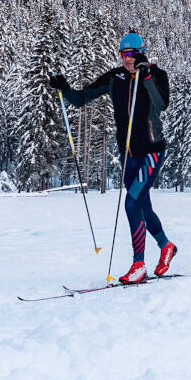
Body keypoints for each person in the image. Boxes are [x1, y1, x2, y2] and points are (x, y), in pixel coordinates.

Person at [44, 31, 175, 282]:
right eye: (123, 54)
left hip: (151, 151)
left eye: (132, 54)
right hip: (128, 155)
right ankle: (166, 246)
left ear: (141, 52)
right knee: (142, 205)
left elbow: (161, 103)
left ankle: (139, 265)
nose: (127, 59)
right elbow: (81, 99)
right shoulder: (115, 78)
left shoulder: (156, 74)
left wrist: (145, 74)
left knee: (131, 203)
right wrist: (65, 88)